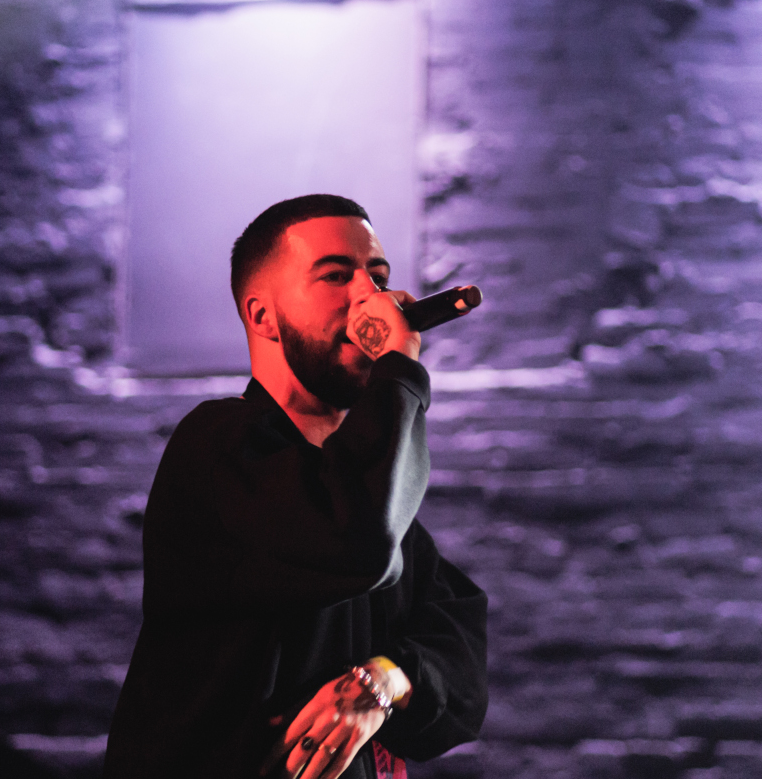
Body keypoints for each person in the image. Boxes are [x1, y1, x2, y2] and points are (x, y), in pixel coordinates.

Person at [102, 195, 488, 779]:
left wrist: (384, 679)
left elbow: (462, 666)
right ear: (262, 317)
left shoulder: (368, 486)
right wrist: (400, 367)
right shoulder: (218, 448)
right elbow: (355, 543)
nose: (371, 297)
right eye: (336, 276)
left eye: (379, 277)